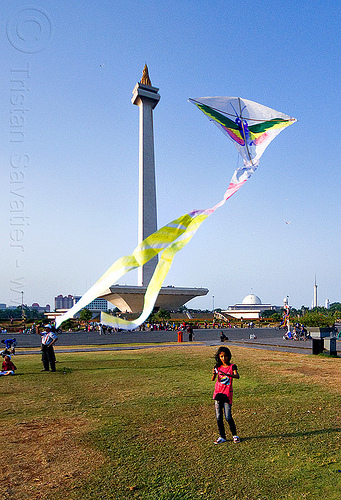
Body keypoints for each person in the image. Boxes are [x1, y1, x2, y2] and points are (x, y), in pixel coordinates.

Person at [211, 346, 240, 444]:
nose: (224, 358)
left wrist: (227, 374)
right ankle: (222, 436)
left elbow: (237, 376)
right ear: (219, 357)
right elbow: (213, 379)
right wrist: (214, 374)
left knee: (228, 416)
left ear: (229, 356)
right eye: (222, 356)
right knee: (219, 417)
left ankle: (235, 435)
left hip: (227, 394)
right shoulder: (217, 367)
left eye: (226, 356)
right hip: (218, 393)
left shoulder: (232, 366)